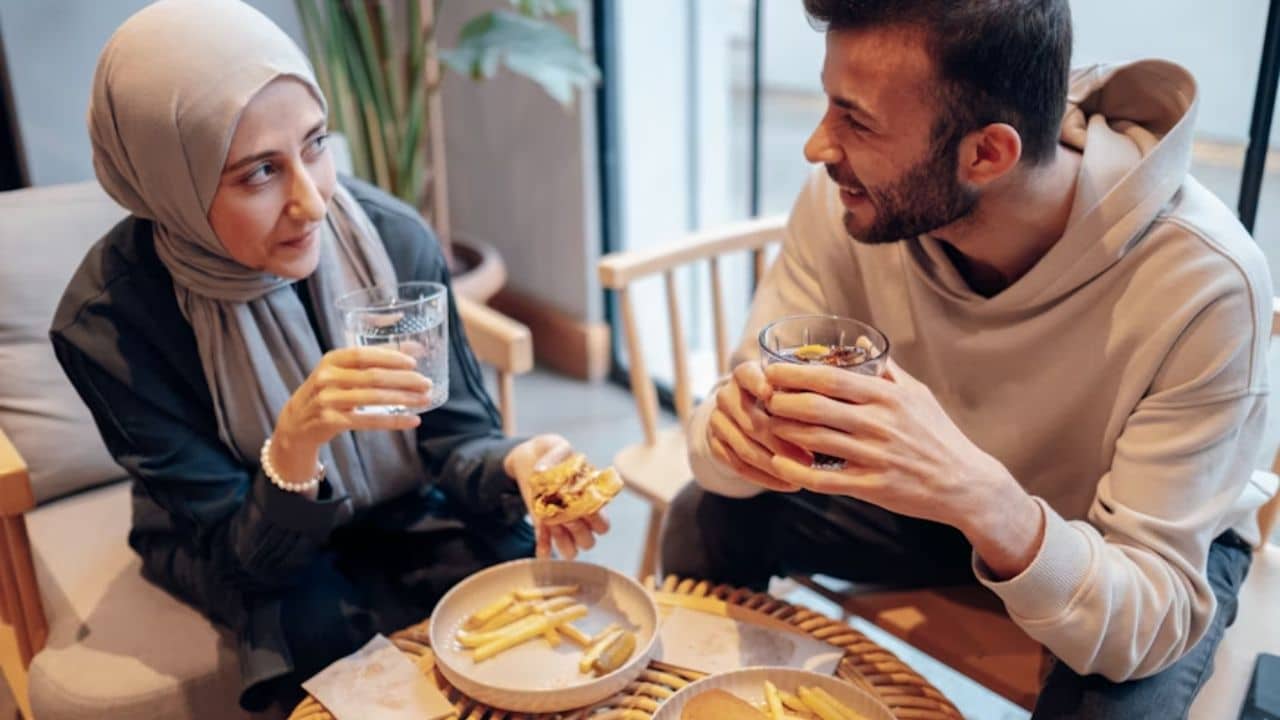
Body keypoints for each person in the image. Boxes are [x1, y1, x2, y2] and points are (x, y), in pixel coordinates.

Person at [662, 1, 1275, 717]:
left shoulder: (1203, 282)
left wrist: (979, 497)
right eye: (829, 103)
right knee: (706, 517)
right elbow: (720, 439)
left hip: (1125, 557)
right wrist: (735, 436)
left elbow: (1145, 618)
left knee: (1116, 704)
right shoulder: (848, 201)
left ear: (987, 154)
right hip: (924, 505)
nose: (817, 147)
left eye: (855, 120)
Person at [51, 0, 607, 710]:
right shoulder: (113, 322)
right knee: (307, 628)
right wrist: (293, 448)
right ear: (170, 181)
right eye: (259, 172)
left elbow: (455, 438)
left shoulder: (389, 240)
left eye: (316, 144)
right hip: (228, 533)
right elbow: (239, 558)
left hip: (397, 493)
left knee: (512, 579)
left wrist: (518, 462)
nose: (313, 204)